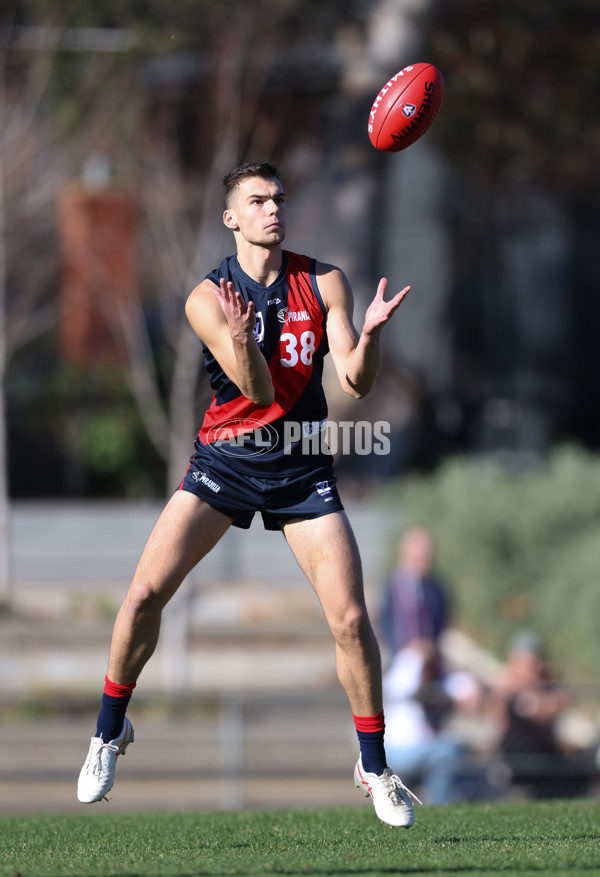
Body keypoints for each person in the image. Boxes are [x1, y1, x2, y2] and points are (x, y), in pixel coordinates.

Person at [77, 160, 420, 827]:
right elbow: (258, 395)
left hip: (301, 468)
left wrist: (371, 337)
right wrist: (240, 340)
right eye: (258, 200)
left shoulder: (323, 282)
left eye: (279, 198)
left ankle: (374, 765)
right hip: (225, 463)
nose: (274, 209)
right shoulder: (207, 299)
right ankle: (109, 730)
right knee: (144, 595)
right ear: (231, 217)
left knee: (350, 619)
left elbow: (355, 381)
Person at [379, 527, 450, 663]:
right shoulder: (392, 585)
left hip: (431, 658)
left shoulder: (436, 587)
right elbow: (386, 622)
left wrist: (430, 646)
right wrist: (404, 648)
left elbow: (442, 621)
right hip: (402, 656)